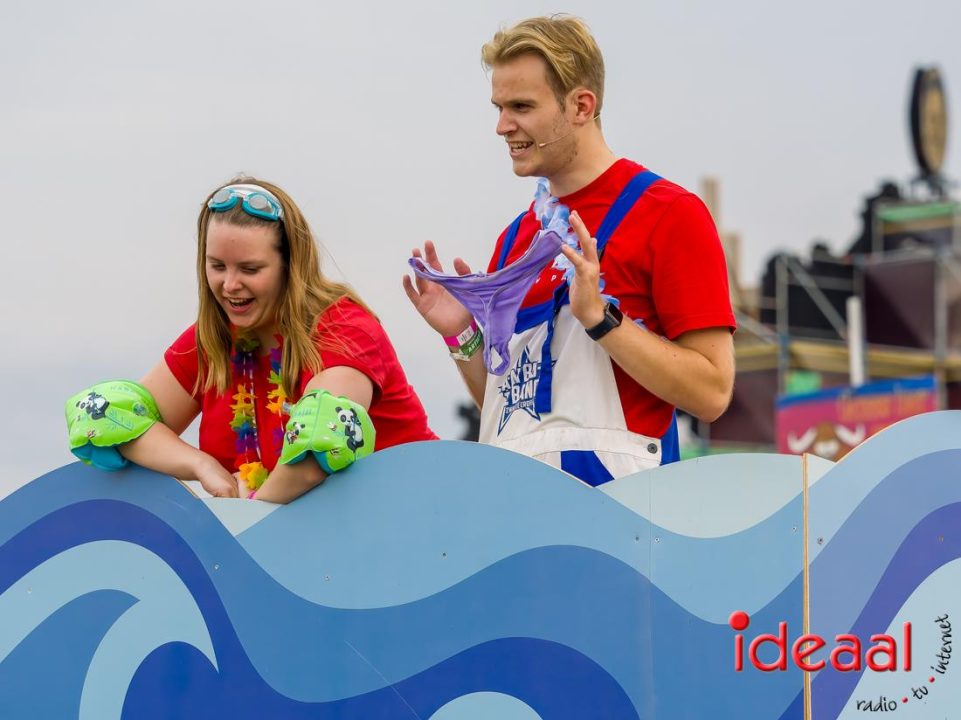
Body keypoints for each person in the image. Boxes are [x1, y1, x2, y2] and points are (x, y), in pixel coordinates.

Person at [403, 15, 735, 485]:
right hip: (515, 507)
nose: (502, 126)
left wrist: (602, 320)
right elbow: (513, 412)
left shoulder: (668, 214)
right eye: (498, 107)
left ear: (581, 106)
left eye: (521, 106)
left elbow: (713, 393)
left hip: (621, 513)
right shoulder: (514, 239)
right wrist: (462, 336)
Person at [68, 178, 436, 502]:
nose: (230, 285)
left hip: (421, 529)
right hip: (303, 551)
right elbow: (101, 418)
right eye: (217, 266)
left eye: (250, 269)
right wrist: (200, 465)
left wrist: (247, 518)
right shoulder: (213, 338)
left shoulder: (344, 328)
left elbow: (323, 443)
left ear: (290, 265)